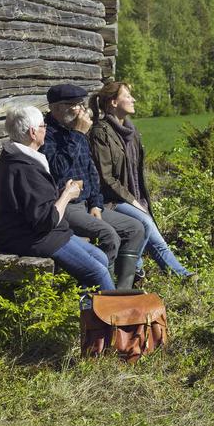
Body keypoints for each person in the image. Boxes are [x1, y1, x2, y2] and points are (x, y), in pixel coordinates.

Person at [0, 104, 114, 291]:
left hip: (38, 232)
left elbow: (32, 202)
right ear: (33, 132)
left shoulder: (12, 159)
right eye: (43, 126)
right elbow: (45, 221)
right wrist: (66, 195)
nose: (45, 129)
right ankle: (116, 317)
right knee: (97, 272)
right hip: (32, 238)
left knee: (101, 258)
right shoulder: (24, 168)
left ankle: (90, 313)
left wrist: (60, 191)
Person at [40, 84, 147, 289]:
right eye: (72, 105)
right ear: (55, 108)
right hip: (63, 208)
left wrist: (96, 204)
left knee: (135, 229)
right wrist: (78, 135)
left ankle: (123, 289)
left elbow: (92, 172)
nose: (80, 110)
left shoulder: (77, 131)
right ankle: (100, 293)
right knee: (109, 236)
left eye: (80, 104)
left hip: (87, 204)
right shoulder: (48, 134)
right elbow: (57, 170)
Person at [89, 81, 192, 278]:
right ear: (113, 102)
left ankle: (180, 275)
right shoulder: (100, 132)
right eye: (127, 96)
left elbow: (136, 172)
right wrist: (134, 201)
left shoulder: (131, 132)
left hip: (128, 196)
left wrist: (138, 199)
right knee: (144, 221)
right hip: (109, 200)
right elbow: (106, 178)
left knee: (155, 237)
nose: (133, 99)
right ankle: (135, 270)